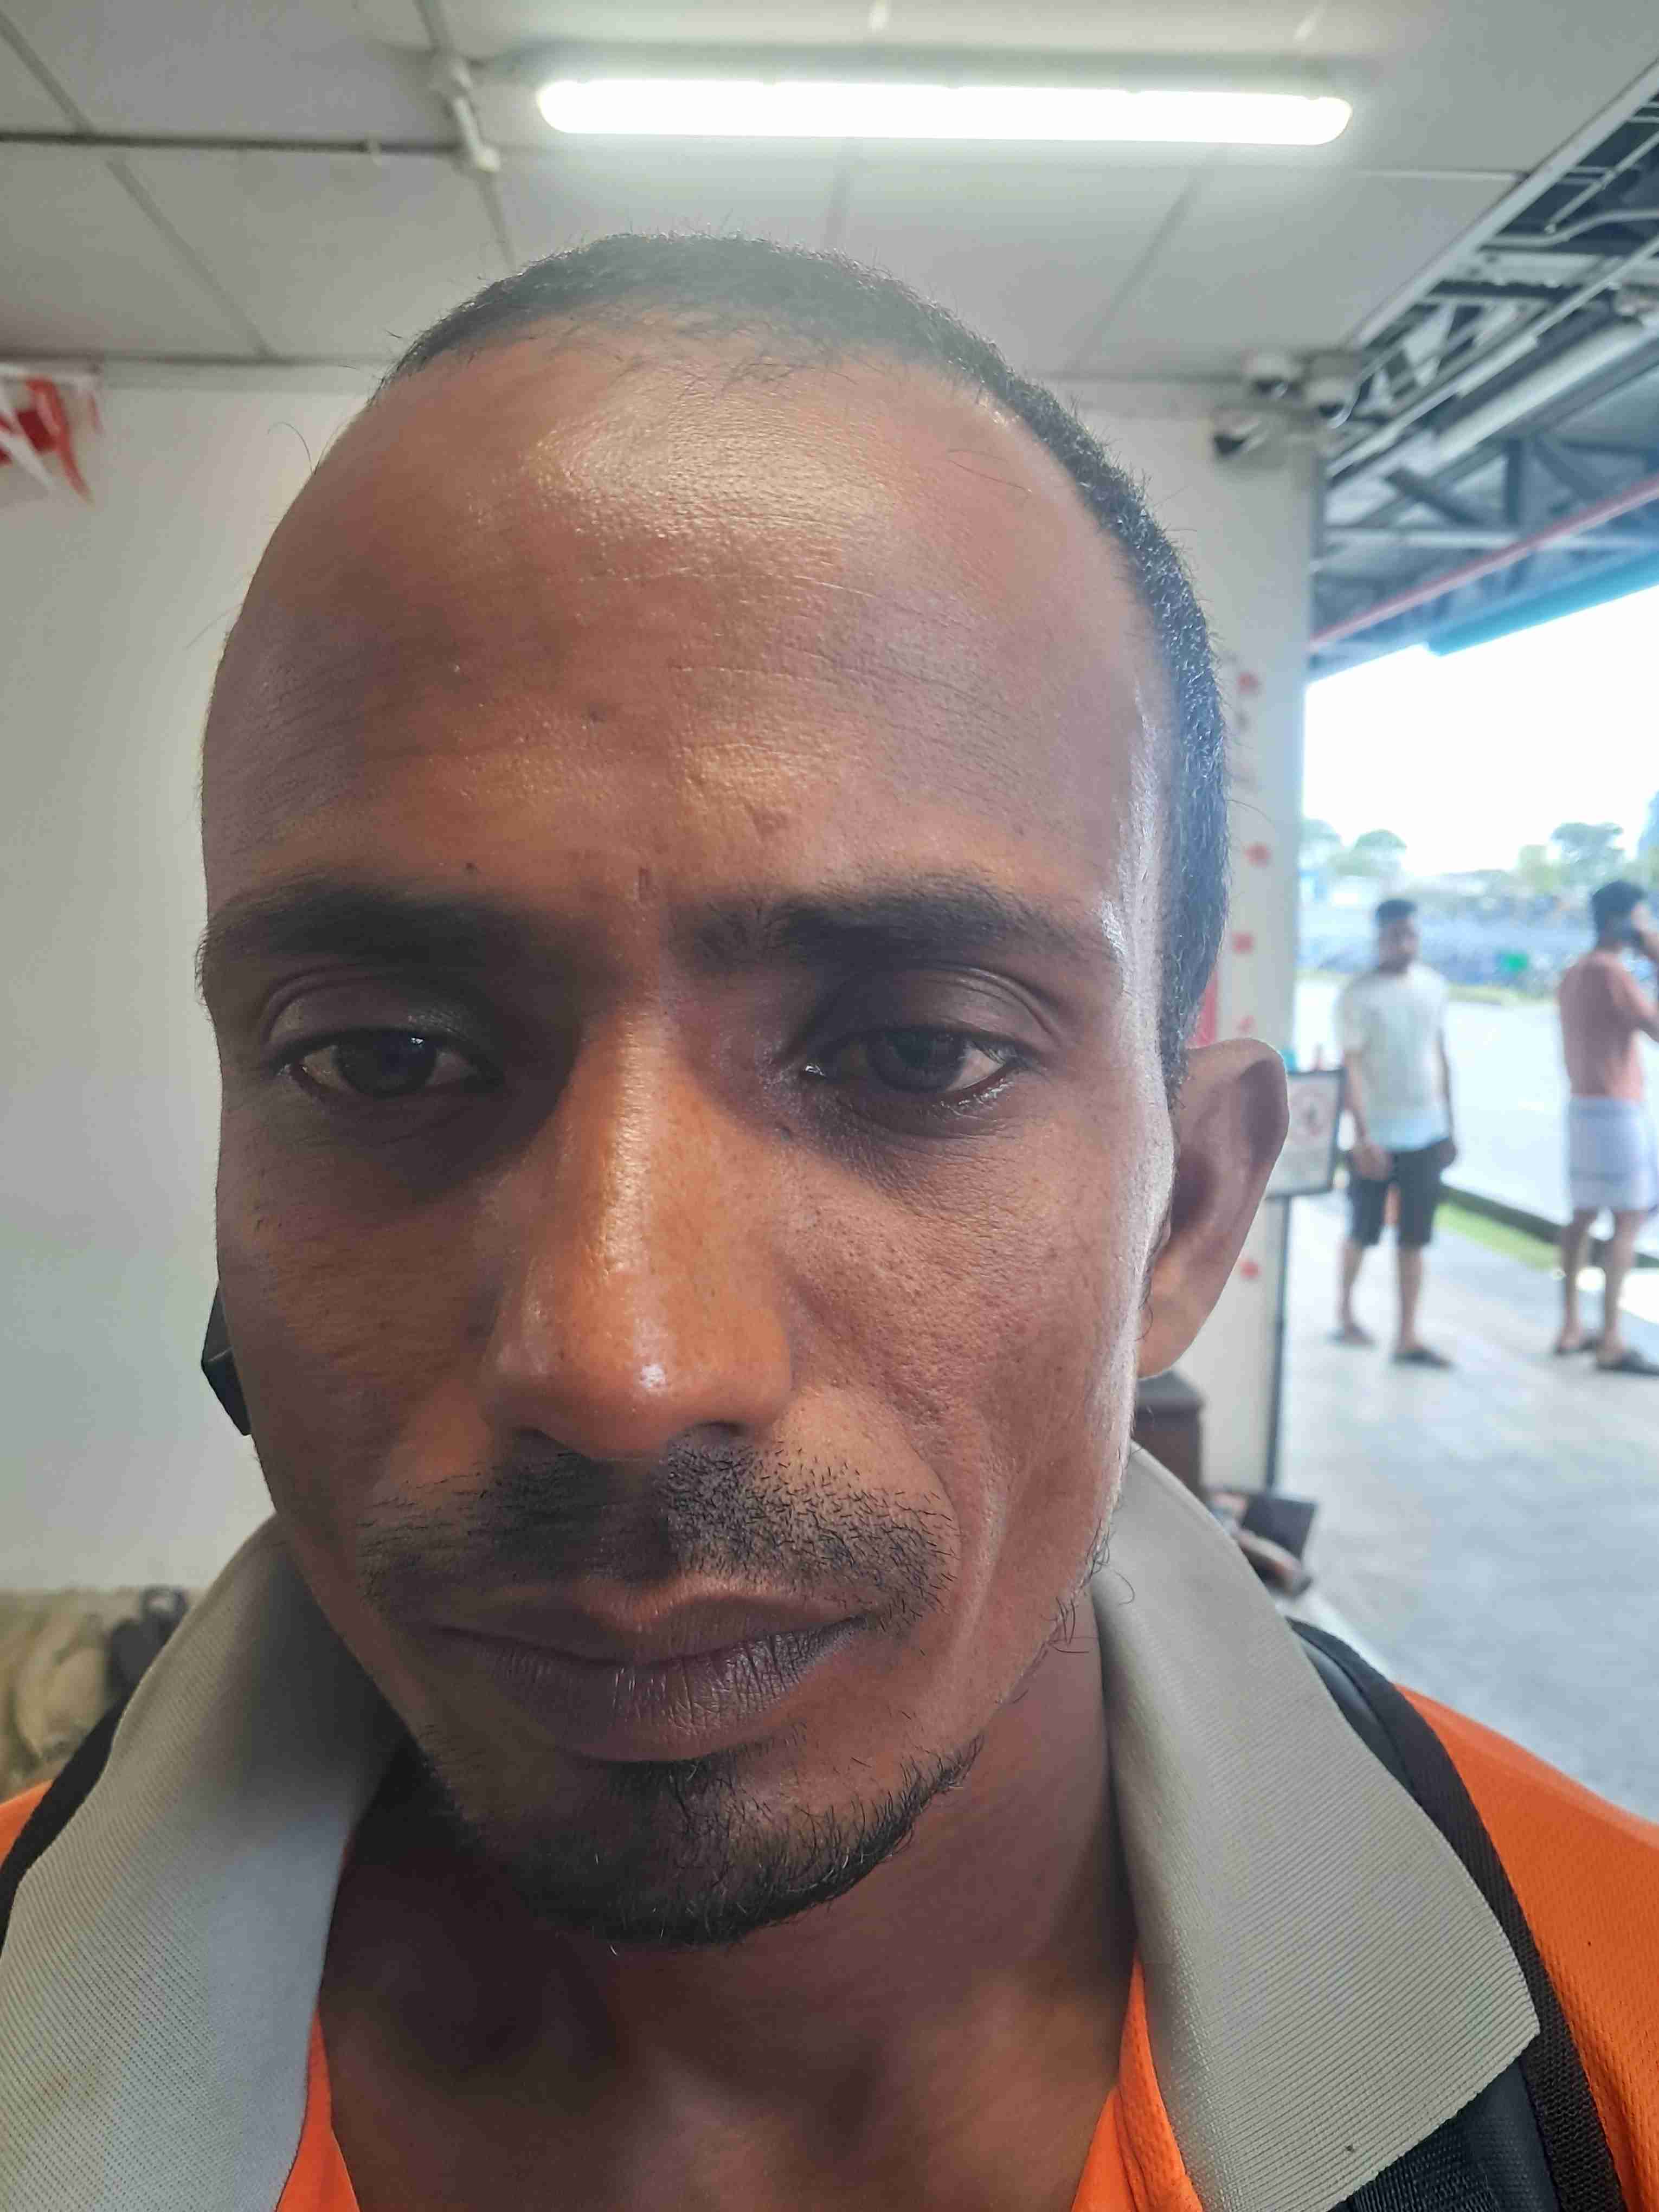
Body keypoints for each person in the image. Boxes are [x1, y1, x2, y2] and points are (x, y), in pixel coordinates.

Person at [3, 237, 1656, 2212]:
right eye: (384, 1055)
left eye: (918, 1052)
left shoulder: (1611, 2042)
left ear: (1194, 1210)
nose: (621, 1366)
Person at [1333, 898, 1458, 1365]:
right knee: (1363, 1230)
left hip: (1427, 1132)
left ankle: (1407, 1336)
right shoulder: (1357, 995)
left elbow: (1440, 1056)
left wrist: (1450, 1127)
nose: (1404, 944)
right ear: (1380, 937)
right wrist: (1362, 1136)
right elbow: (1350, 1067)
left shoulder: (1434, 986)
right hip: (1377, 1137)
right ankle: (1346, 1315)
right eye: (1395, 936)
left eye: (1411, 935)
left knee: (1415, 1237)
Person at [1555, 879, 1659, 1372]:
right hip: (1616, 1112)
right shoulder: (1612, 971)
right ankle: (1611, 1339)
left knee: (1581, 1216)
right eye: (1643, 918)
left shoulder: (1575, 971)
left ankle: (1571, 1326)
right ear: (1625, 922)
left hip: (1581, 1107)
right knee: (1627, 1221)